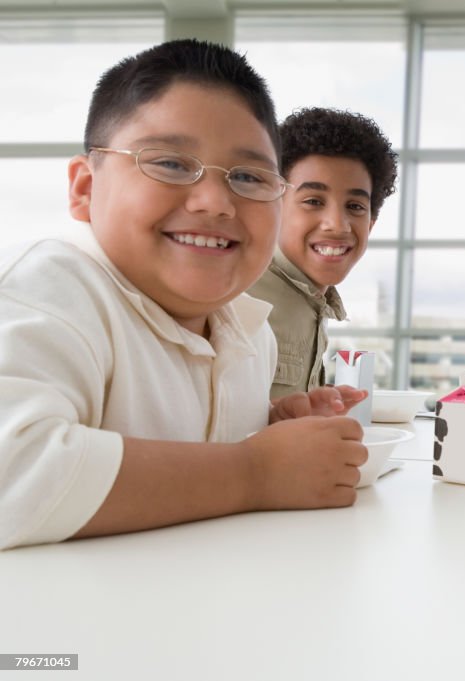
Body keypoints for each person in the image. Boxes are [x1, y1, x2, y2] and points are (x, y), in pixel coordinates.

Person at [0, 39, 368, 551]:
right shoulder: (47, 287)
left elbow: (189, 465)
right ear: (85, 187)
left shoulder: (247, 328)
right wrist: (255, 470)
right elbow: (13, 475)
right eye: (170, 163)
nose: (216, 202)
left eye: (247, 176)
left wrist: (271, 428)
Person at [248, 108, 397, 400]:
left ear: (371, 224)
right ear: (273, 208)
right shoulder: (242, 295)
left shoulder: (312, 300)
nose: (337, 225)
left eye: (355, 206)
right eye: (314, 201)